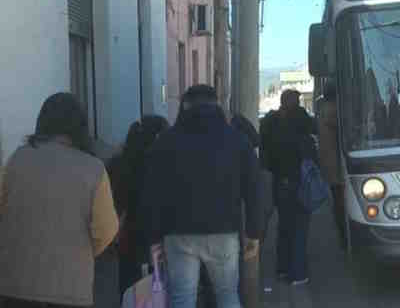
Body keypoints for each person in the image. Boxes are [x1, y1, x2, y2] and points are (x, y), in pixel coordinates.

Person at [142, 85, 263, 308]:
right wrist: (253, 233)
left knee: (182, 297)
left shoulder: (165, 142)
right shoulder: (236, 140)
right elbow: (254, 187)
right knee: (227, 295)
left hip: (177, 233)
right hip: (224, 232)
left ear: (185, 106)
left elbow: (152, 194)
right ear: (217, 105)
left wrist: (154, 237)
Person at [0, 93, 119, 308]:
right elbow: (106, 233)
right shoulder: (94, 169)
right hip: (71, 289)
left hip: (15, 285)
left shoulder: (17, 160)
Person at [106, 115, 169, 299]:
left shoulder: (118, 165)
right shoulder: (162, 166)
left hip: (128, 244)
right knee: (158, 294)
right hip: (158, 243)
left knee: (130, 293)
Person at [261, 89, 315, 286]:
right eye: (298, 100)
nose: (300, 102)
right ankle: (298, 273)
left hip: (279, 183)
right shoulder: (300, 120)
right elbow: (313, 130)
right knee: (299, 229)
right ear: (294, 102)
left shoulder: (272, 122)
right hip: (298, 182)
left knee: (284, 227)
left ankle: (282, 269)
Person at [317, 81, 346, 251]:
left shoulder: (323, 109)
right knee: (340, 204)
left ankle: (342, 235)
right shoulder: (333, 111)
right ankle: (343, 237)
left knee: (338, 202)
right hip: (336, 165)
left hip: (331, 165)